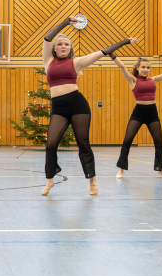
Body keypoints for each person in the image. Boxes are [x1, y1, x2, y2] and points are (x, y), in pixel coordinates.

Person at [41, 16, 138, 196]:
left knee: (83, 144)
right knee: (51, 144)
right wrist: (65, 22)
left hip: (78, 106)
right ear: (54, 48)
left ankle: (92, 181)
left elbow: (102, 52)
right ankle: (49, 180)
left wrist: (125, 41)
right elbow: (47, 37)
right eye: (60, 44)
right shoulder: (48, 61)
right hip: (59, 108)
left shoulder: (76, 62)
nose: (63, 46)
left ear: (70, 49)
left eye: (66, 44)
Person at [113, 50, 162, 179]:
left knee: (158, 141)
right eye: (143, 67)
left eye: (148, 68)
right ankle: (121, 169)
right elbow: (122, 67)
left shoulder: (153, 79)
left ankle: (160, 169)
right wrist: (112, 54)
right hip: (139, 112)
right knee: (127, 140)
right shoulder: (133, 80)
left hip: (152, 112)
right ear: (137, 68)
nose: (145, 70)